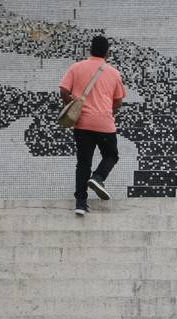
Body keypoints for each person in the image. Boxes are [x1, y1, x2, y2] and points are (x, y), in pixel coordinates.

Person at [59, 35, 126, 216]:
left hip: (82, 124)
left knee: (83, 163)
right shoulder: (113, 73)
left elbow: (64, 89)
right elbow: (118, 101)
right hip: (104, 123)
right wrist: (108, 111)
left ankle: (81, 203)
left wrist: (71, 104)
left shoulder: (76, 67)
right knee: (111, 155)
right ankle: (98, 177)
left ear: (90, 49)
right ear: (107, 52)